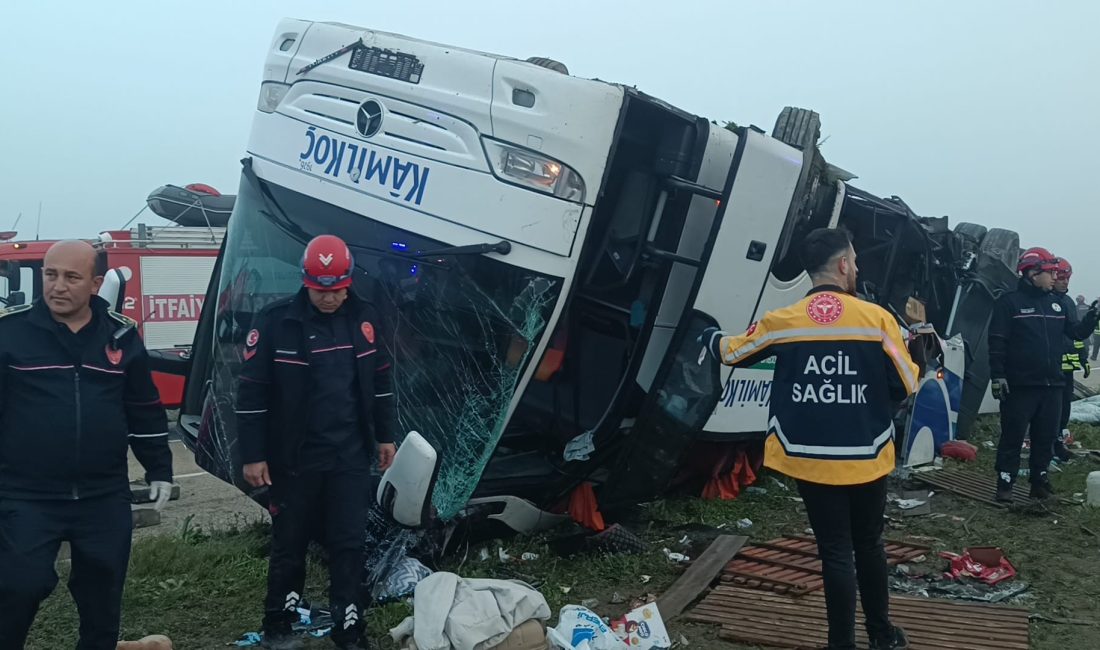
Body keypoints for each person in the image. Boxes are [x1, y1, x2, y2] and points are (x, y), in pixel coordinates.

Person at [701, 228, 917, 650]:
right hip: (866, 454)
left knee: (835, 551)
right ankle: (883, 636)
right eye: (853, 261)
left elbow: (731, 352)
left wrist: (705, 336)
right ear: (841, 265)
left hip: (808, 456)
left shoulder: (783, 321)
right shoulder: (877, 319)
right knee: (869, 544)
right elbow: (907, 381)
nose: (856, 268)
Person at [0, 241, 173, 649]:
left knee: (102, 597)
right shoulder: (10, 333)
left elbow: (144, 408)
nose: (58, 286)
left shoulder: (121, 335)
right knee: (19, 587)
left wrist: (160, 468)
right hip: (27, 496)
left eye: (71, 277)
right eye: (50, 274)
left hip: (103, 496)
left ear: (95, 283)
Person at [237, 235, 398, 650]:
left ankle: (350, 629)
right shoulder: (276, 322)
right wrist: (252, 455)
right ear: (306, 282)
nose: (329, 298)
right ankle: (279, 626)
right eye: (321, 289)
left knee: (349, 544)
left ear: (348, 282)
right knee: (289, 545)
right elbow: (251, 394)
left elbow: (381, 383)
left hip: (348, 455)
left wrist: (386, 437)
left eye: (337, 289)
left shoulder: (365, 319)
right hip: (293, 459)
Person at [988, 248, 1098, 503]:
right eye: (1050, 273)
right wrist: (998, 375)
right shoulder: (1009, 303)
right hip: (1020, 386)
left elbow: (1076, 333)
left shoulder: (1057, 303)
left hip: (1053, 385)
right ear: (1032, 273)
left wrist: (1092, 316)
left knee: (1045, 437)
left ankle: (1039, 483)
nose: (1054, 278)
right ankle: (1005, 483)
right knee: (1012, 436)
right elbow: (997, 342)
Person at [1053, 261, 1089, 462]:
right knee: (1047, 409)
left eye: (1068, 277)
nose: (1065, 281)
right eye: (1061, 277)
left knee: (1063, 408)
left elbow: (1076, 334)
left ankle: (1058, 443)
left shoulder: (1067, 302)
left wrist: (1083, 358)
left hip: (1066, 368)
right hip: (1047, 367)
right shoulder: (1045, 300)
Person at [1075, 294, 1091, 361]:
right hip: (1087, 327)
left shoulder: (1075, 307)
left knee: (1079, 343)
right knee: (1086, 342)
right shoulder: (1088, 307)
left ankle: (1081, 355)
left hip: (1079, 327)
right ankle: (1085, 355)